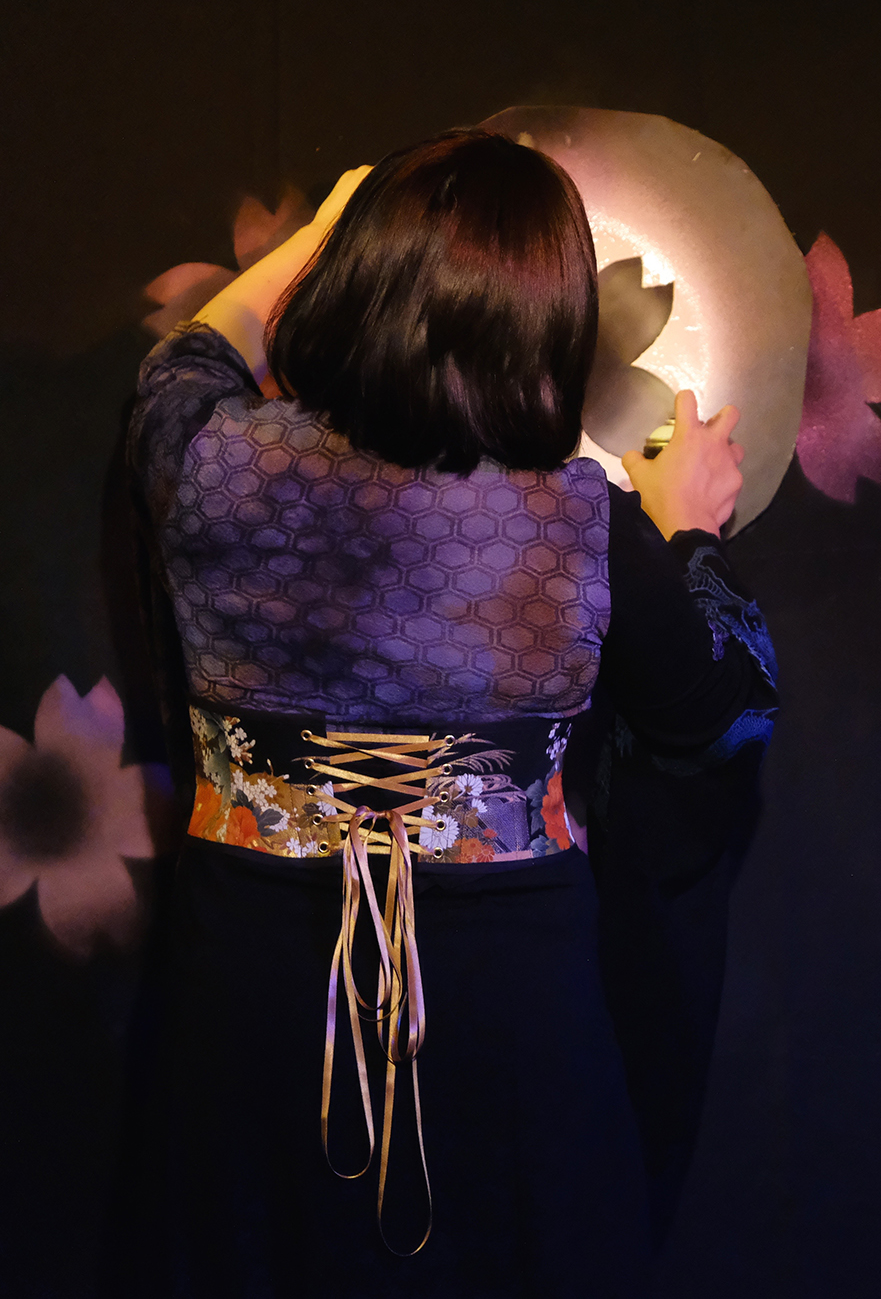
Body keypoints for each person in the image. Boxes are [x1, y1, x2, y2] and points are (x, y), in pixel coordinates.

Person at [110, 129, 777, 1296]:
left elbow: (190, 357)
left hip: (249, 992)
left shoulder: (213, 463)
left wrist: (329, 224)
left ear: (354, 277)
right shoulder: (584, 522)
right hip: (507, 1011)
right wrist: (688, 530)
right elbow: (722, 715)